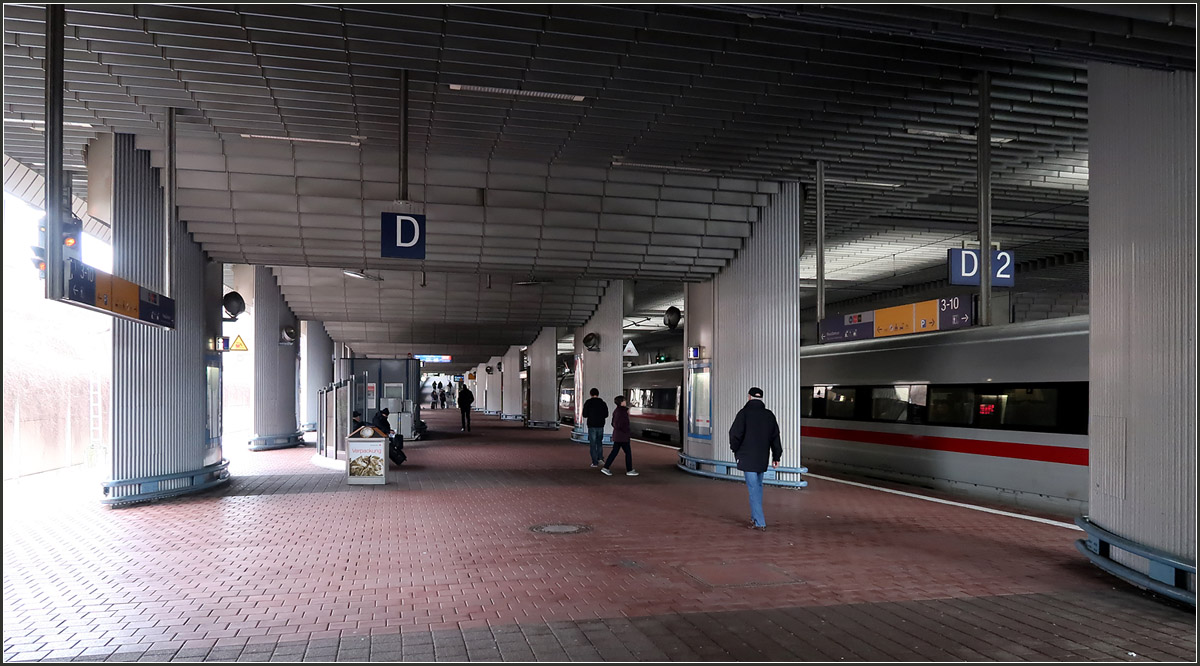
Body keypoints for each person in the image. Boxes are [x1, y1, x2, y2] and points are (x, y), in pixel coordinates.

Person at [728, 386, 783, 531]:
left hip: (747, 457)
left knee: (753, 489)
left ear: (749, 397)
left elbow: (735, 434)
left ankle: (760, 522)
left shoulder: (744, 413)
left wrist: (735, 449)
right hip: (762, 458)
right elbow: (775, 437)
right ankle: (754, 518)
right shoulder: (769, 415)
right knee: (757, 487)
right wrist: (776, 456)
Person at [601, 395, 638, 476]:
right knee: (628, 453)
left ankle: (606, 467)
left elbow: (613, 423)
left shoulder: (617, 411)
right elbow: (621, 424)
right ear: (621, 402)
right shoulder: (622, 412)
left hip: (618, 435)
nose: (625, 402)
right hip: (623, 437)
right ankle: (629, 470)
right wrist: (626, 431)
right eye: (624, 400)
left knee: (614, 452)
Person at [581, 387, 609, 468]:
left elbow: (585, 414)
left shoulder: (588, 403)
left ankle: (594, 462)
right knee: (599, 443)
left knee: (593, 444)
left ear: (590, 394)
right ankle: (600, 459)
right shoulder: (603, 403)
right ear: (598, 394)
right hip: (600, 425)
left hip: (591, 425)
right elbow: (606, 414)